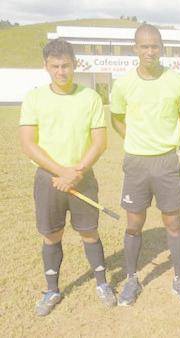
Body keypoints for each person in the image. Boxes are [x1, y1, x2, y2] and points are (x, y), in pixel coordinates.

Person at [19, 39, 116, 316]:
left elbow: (99, 142)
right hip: (49, 180)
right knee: (52, 235)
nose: (61, 71)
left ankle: (101, 284)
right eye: (55, 66)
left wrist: (76, 172)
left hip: (82, 176)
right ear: (46, 67)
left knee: (89, 231)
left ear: (76, 64)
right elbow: (28, 144)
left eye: (66, 65)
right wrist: (61, 173)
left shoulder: (90, 97)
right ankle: (52, 290)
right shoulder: (35, 98)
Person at [110, 24, 180, 306]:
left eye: (154, 46)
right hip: (136, 161)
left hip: (165, 160)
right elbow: (117, 118)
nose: (150, 51)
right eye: (144, 46)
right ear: (135, 48)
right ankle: (132, 279)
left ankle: (179, 280)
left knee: (173, 222)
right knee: (134, 224)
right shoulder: (123, 83)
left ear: (161, 48)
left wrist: (168, 141)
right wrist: (135, 140)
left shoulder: (176, 81)